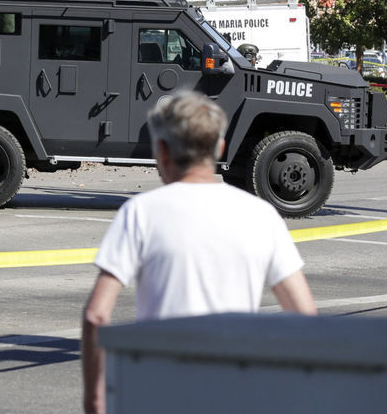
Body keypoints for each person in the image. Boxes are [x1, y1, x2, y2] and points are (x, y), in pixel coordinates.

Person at [80, 91, 317, 414]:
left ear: (161, 150)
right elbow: (304, 316)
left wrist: (95, 399)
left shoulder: (141, 213)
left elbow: (96, 315)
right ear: (219, 148)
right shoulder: (261, 215)